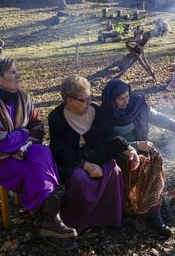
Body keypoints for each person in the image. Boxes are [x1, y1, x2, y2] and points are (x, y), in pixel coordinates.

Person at [0, 55, 77, 248]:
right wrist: (23, 133)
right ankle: (49, 214)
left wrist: (24, 145)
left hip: (20, 149)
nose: (18, 75)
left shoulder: (22, 97)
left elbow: (37, 125)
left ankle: (48, 213)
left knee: (41, 152)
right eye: (13, 72)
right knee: (28, 169)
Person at [101, 78, 175, 237]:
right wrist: (136, 145)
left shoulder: (137, 105)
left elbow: (159, 118)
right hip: (118, 154)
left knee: (156, 159)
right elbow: (107, 142)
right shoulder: (104, 115)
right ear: (111, 99)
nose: (127, 101)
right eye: (121, 99)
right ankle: (148, 212)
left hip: (141, 149)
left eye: (128, 96)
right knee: (141, 164)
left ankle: (153, 207)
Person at [48, 75, 139, 230]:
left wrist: (127, 147)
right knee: (79, 178)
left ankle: (108, 218)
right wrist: (85, 165)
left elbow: (108, 135)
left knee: (114, 171)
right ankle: (79, 219)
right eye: (85, 100)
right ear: (70, 100)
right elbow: (59, 150)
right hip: (74, 160)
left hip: (98, 155)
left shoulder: (95, 111)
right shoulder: (56, 117)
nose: (89, 102)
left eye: (90, 97)